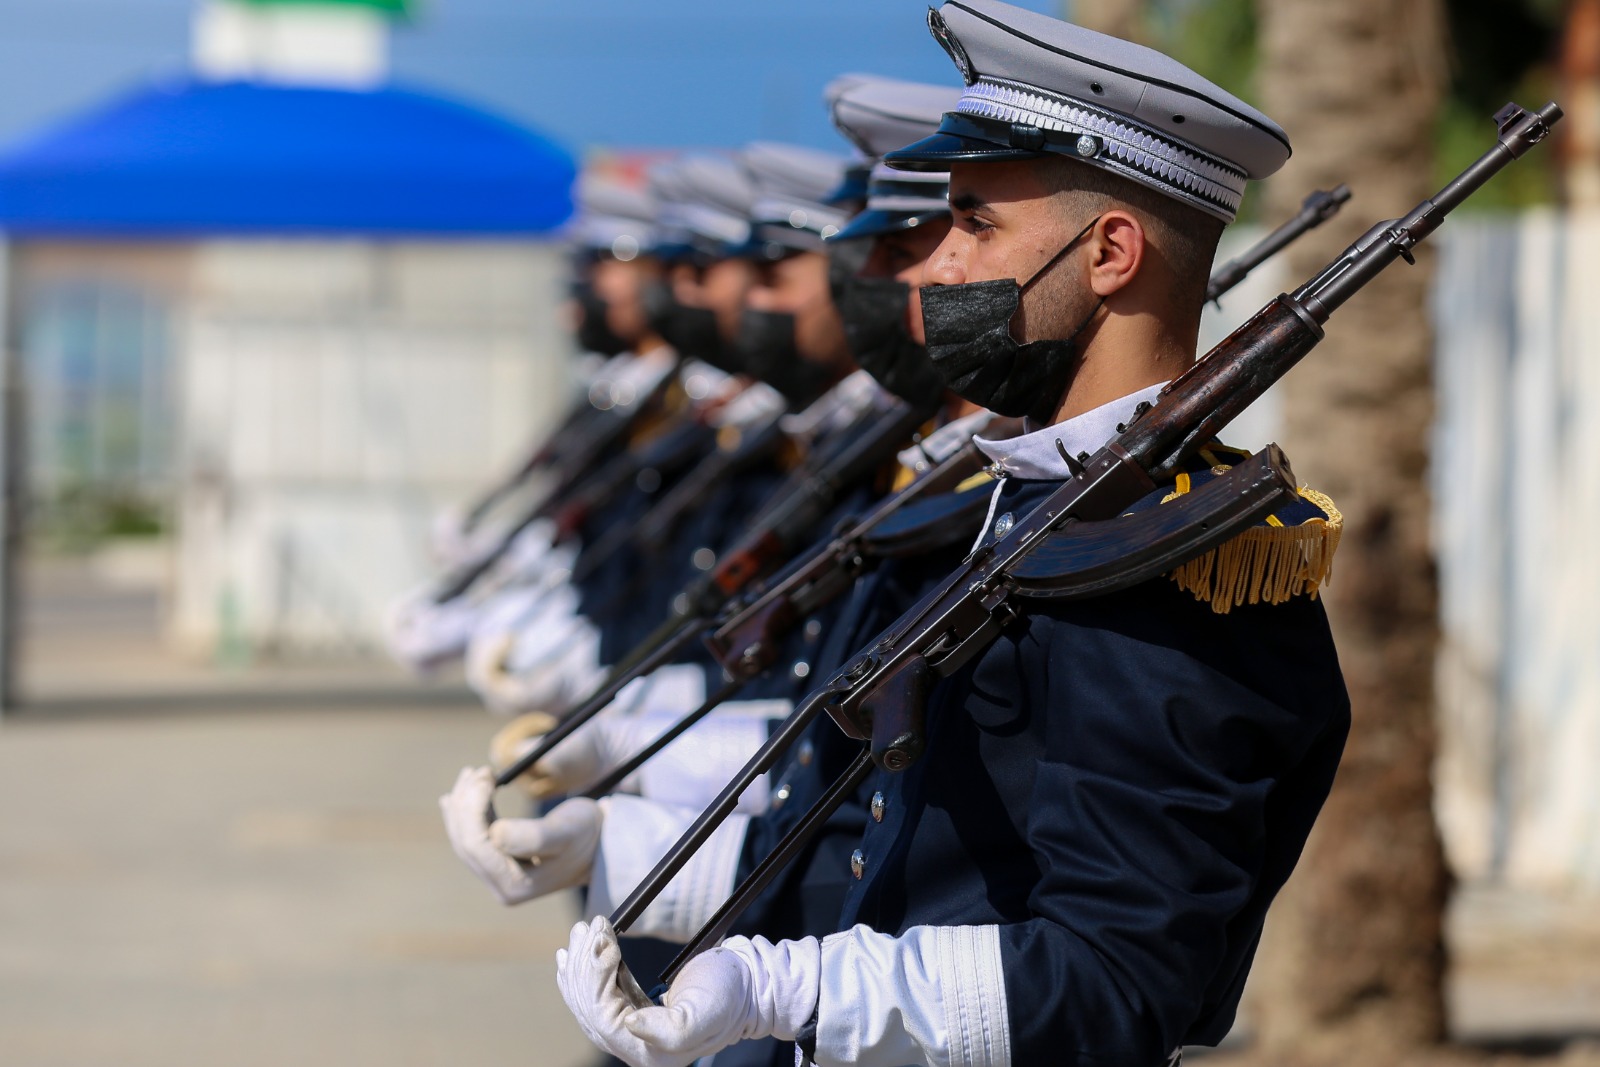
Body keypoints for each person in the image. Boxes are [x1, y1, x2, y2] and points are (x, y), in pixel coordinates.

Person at [552, 4, 1350, 1067]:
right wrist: (625, 845)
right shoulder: (1023, 501)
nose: (931, 269)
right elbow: (889, 823)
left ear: (1110, 252)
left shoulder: (1163, 567)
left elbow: (1117, 982)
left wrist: (799, 988)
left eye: (973, 225)